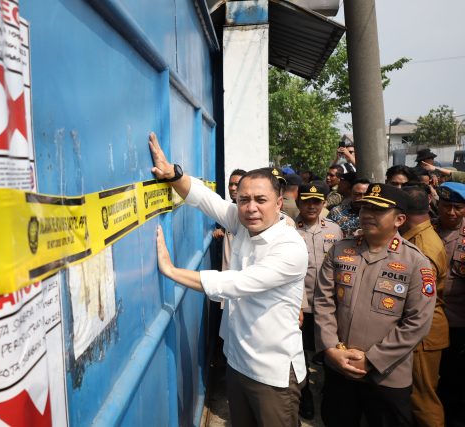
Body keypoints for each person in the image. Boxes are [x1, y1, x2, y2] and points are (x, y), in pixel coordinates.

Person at [148, 132, 308, 426]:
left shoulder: (290, 248)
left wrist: (171, 271)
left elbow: (235, 284)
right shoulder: (244, 223)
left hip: (272, 373)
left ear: (279, 203)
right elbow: (207, 200)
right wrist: (173, 175)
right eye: (243, 199)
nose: (251, 207)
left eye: (261, 200)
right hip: (237, 360)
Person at [314, 183, 437, 427]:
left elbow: (417, 322)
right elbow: (323, 302)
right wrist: (331, 349)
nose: (368, 214)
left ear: (399, 219)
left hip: (387, 375)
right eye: (365, 208)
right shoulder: (340, 250)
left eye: (378, 210)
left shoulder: (416, 262)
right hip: (339, 366)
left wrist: (372, 359)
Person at [399, 184, 449, 427]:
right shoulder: (420, 236)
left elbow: (420, 303)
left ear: (402, 213)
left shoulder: (422, 246)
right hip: (422, 331)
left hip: (423, 334)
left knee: (423, 400)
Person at [294, 181, 342, 420]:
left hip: (329, 306)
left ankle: (330, 394)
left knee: (329, 351)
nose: (311, 206)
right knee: (299, 355)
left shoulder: (335, 230)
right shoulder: (289, 230)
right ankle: (305, 397)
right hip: (300, 306)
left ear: (323, 204)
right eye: (306, 201)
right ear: (298, 203)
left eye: (316, 201)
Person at [434, 182, 465, 426]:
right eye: (446, 206)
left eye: (458, 207)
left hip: (458, 324)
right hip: (428, 320)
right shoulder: (426, 231)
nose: (451, 212)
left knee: (455, 379)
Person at [213, 168, 246, 270]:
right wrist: (223, 230)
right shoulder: (229, 209)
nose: (232, 188)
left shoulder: (249, 213)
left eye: (237, 184)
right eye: (230, 184)